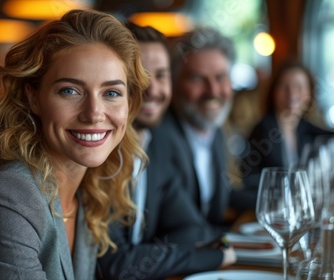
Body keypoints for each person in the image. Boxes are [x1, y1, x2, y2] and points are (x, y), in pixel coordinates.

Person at [0, 9, 148, 279]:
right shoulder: (10, 198)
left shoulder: (89, 191)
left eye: (111, 93)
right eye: (70, 91)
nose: (94, 113)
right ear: (34, 98)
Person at [97, 22, 236, 280]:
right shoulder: (98, 154)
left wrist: (152, 254)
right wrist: (214, 255)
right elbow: (116, 264)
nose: (152, 89)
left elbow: (192, 228)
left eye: (161, 75)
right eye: (139, 75)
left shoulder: (151, 146)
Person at [154, 26, 245, 228]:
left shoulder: (216, 131)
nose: (213, 91)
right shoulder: (159, 138)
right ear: (175, 84)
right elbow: (182, 227)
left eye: (221, 78)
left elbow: (219, 202)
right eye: (197, 79)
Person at [241, 60, 334, 199]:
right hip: (271, 211)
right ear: (273, 92)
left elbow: (330, 136)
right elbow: (248, 181)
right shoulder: (263, 130)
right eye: (285, 86)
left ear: (310, 93)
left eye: (299, 86)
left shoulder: (303, 127)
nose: (292, 93)